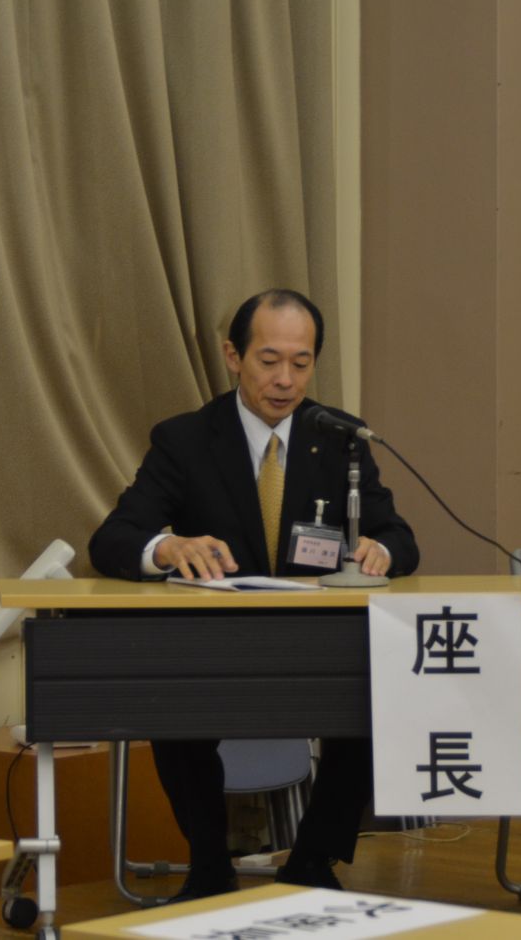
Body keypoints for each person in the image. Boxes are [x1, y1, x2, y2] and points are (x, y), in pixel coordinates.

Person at [89, 288, 419, 898]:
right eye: (269, 361)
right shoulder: (186, 440)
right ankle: (209, 867)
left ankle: (312, 860)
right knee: (171, 707)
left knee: (379, 699)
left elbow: (399, 535)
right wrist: (167, 548)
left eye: (301, 362)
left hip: (316, 647)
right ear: (233, 357)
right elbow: (113, 539)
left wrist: (384, 551)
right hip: (215, 648)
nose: (285, 380)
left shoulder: (341, 439)